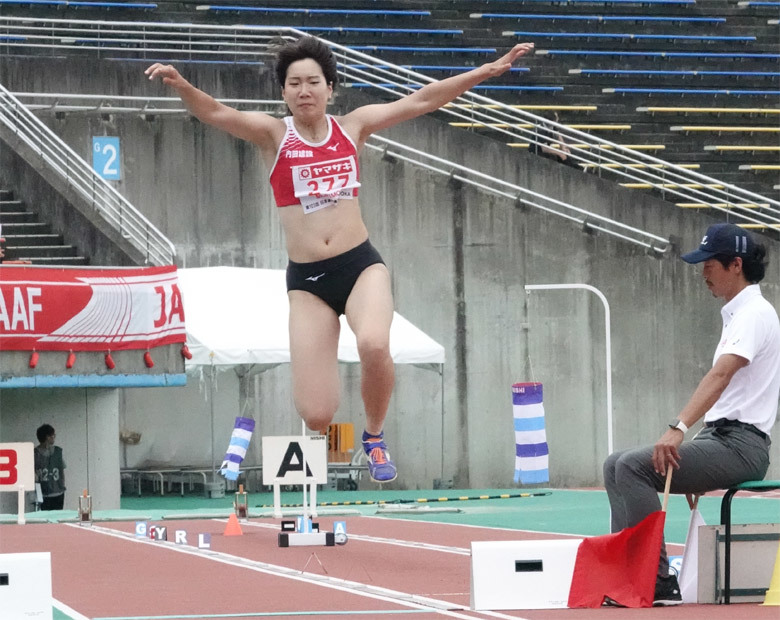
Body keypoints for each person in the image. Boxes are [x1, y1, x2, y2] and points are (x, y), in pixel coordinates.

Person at [145, 37, 535, 483]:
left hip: (359, 266)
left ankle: (373, 435)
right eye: (294, 84)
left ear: (330, 88)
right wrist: (181, 85)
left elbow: (423, 99)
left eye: (313, 82)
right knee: (316, 414)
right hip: (308, 282)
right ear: (284, 92)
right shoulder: (273, 134)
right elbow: (216, 113)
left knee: (373, 342)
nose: (304, 91)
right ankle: (340, 431)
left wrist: (486, 70)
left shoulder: (353, 127)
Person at [604, 222, 780, 606]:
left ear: (736, 265)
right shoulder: (738, 314)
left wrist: (679, 428)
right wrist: (699, 444)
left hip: (742, 447)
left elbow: (720, 377)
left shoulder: (754, 313)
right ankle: (626, 571)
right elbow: (730, 397)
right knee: (614, 463)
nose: (702, 273)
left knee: (634, 466)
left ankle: (656, 578)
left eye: (709, 264)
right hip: (722, 439)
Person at [34, 424, 66, 510]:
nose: (54, 437)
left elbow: (61, 471)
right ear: (48, 437)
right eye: (53, 435)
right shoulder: (35, 454)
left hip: (57, 492)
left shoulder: (57, 452)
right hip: (44, 493)